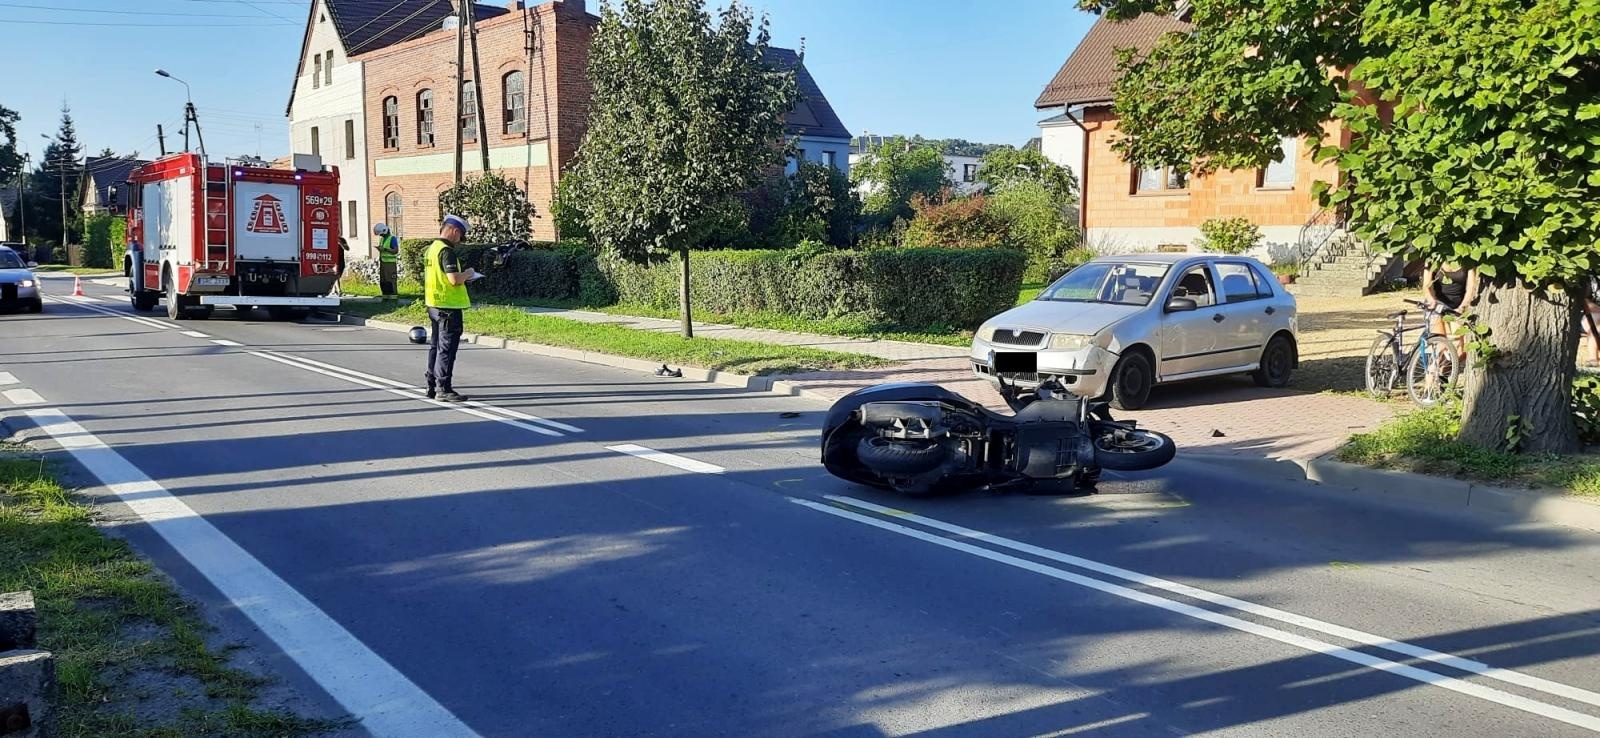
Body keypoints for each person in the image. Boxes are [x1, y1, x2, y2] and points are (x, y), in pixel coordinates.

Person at [423, 214, 478, 402]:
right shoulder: (446, 251)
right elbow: (453, 279)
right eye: (460, 236)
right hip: (448, 307)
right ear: (454, 231)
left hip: (434, 305)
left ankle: (431, 385)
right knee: (446, 349)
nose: (460, 240)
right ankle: (443, 388)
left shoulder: (432, 249)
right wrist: (468, 274)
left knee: (435, 347)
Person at [1421, 259, 1479, 359]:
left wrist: (1463, 306)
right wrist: (1432, 300)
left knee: (1459, 347)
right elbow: (1427, 285)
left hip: (1459, 304)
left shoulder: (1468, 260)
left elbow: (1471, 287)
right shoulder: (1433, 259)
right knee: (1441, 342)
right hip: (1437, 303)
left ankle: (1447, 366)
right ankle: (1433, 369)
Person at [374, 223, 400, 301]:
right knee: (384, 280)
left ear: (384, 232)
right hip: (383, 262)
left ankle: (393, 298)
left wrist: (384, 249)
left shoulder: (392, 238)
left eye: (381, 234)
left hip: (390, 264)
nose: (380, 236)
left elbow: (395, 250)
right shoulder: (382, 239)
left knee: (390, 281)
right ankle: (385, 297)